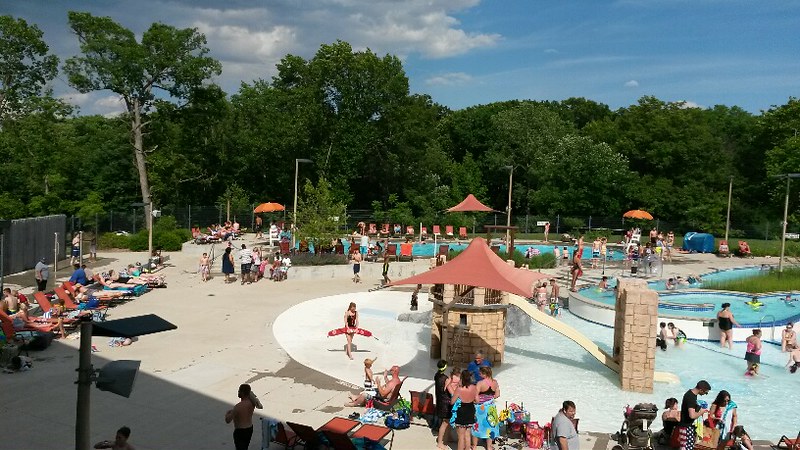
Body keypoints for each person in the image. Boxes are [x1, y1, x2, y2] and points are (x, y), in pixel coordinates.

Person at [225, 384, 262, 450]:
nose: (238, 392)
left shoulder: (238, 407)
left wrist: (227, 413)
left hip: (240, 431)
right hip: (249, 429)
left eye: (239, 391)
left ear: (243, 393)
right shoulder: (252, 403)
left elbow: (228, 420)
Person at [471, 366, 500, 450]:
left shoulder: (480, 383)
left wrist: (473, 402)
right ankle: (489, 447)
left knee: (476, 426)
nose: (479, 375)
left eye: (480, 373)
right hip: (491, 407)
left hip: (481, 407)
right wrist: (490, 398)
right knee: (490, 426)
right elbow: (497, 395)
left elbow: (476, 397)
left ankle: (474, 446)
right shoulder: (495, 382)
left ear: (484, 374)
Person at [679, 380, 711, 450]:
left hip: (686, 426)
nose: (705, 394)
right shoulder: (691, 397)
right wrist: (702, 412)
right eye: (706, 392)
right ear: (701, 389)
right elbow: (692, 415)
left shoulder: (691, 394)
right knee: (686, 448)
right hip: (686, 427)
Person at [450, 370, 477, 450]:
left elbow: (452, 402)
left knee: (461, 436)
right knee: (468, 434)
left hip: (462, 410)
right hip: (471, 409)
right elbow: (477, 400)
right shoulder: (474, 387)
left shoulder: (459, 389)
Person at [434, 360, 453, 450]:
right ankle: (440, 442)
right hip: (445, 402)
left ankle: (448, 437)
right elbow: (449, 390)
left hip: (440, 400)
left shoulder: (437, 375)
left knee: (447, 421)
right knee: (445, 422)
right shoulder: (445, 378)